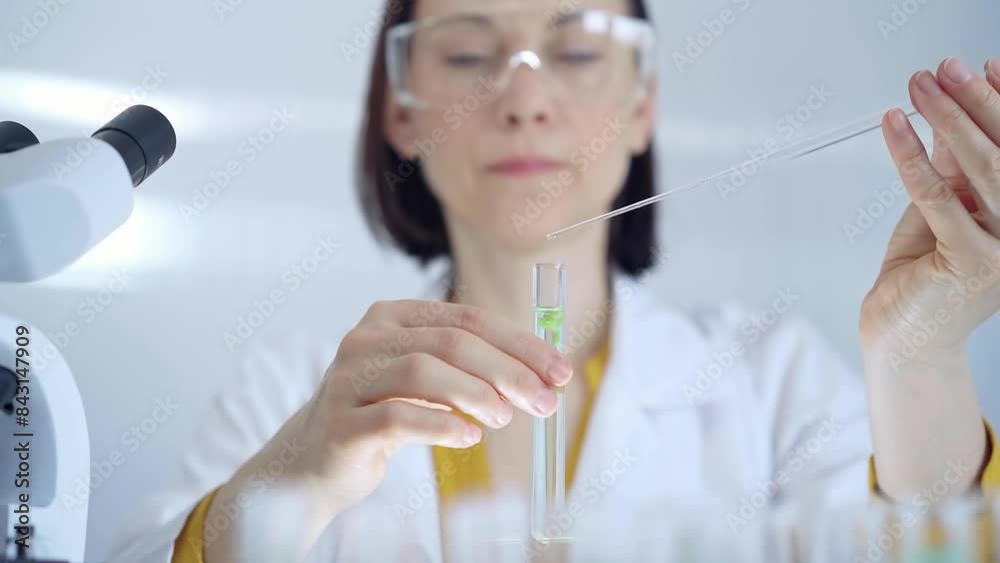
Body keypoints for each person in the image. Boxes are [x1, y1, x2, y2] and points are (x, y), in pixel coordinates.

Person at [108, 0, 1000, 561]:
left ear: (642, 101)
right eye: (465, 54)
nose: (524, 97)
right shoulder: (283, 394)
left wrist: (919, 357)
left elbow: (923, 549)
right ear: (400, 108)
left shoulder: (773, 383)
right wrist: (296, 473)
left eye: (575, 50)